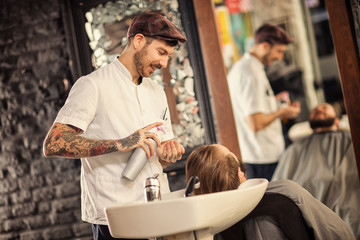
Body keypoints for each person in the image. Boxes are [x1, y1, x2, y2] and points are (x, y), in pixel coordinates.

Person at [43, 12, 187, 240]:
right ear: (139, 41)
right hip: (115, 219)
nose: (164, 63)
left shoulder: (157, 93)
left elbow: (157, 159)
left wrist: (167, 155)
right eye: (161, 53)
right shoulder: (92, 85)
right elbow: (54, 143)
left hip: (158, 210)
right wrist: (121, 143)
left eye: (168, 56)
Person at [185, 144, 355, 240]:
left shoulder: (205, 226)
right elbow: (337, 232)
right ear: (239, 173)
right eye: (230, 153)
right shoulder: (285, 191)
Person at [272, 103, 360, 238]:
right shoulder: (295, 149)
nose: (319, 109)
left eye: (324, 108)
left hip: (344, 197)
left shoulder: (351, 139)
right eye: (315, 110)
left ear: (337, 120)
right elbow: (279, 185)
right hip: (305, 204)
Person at [227, 23, 301, 181]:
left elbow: (254, 107)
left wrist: (274, 102)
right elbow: (256, 122)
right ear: (265, 46)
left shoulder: (250, 67)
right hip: (262, 158)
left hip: (263, 155)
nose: (280, 58)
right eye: (279, 51)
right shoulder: (250, 72)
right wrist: (282, 111)